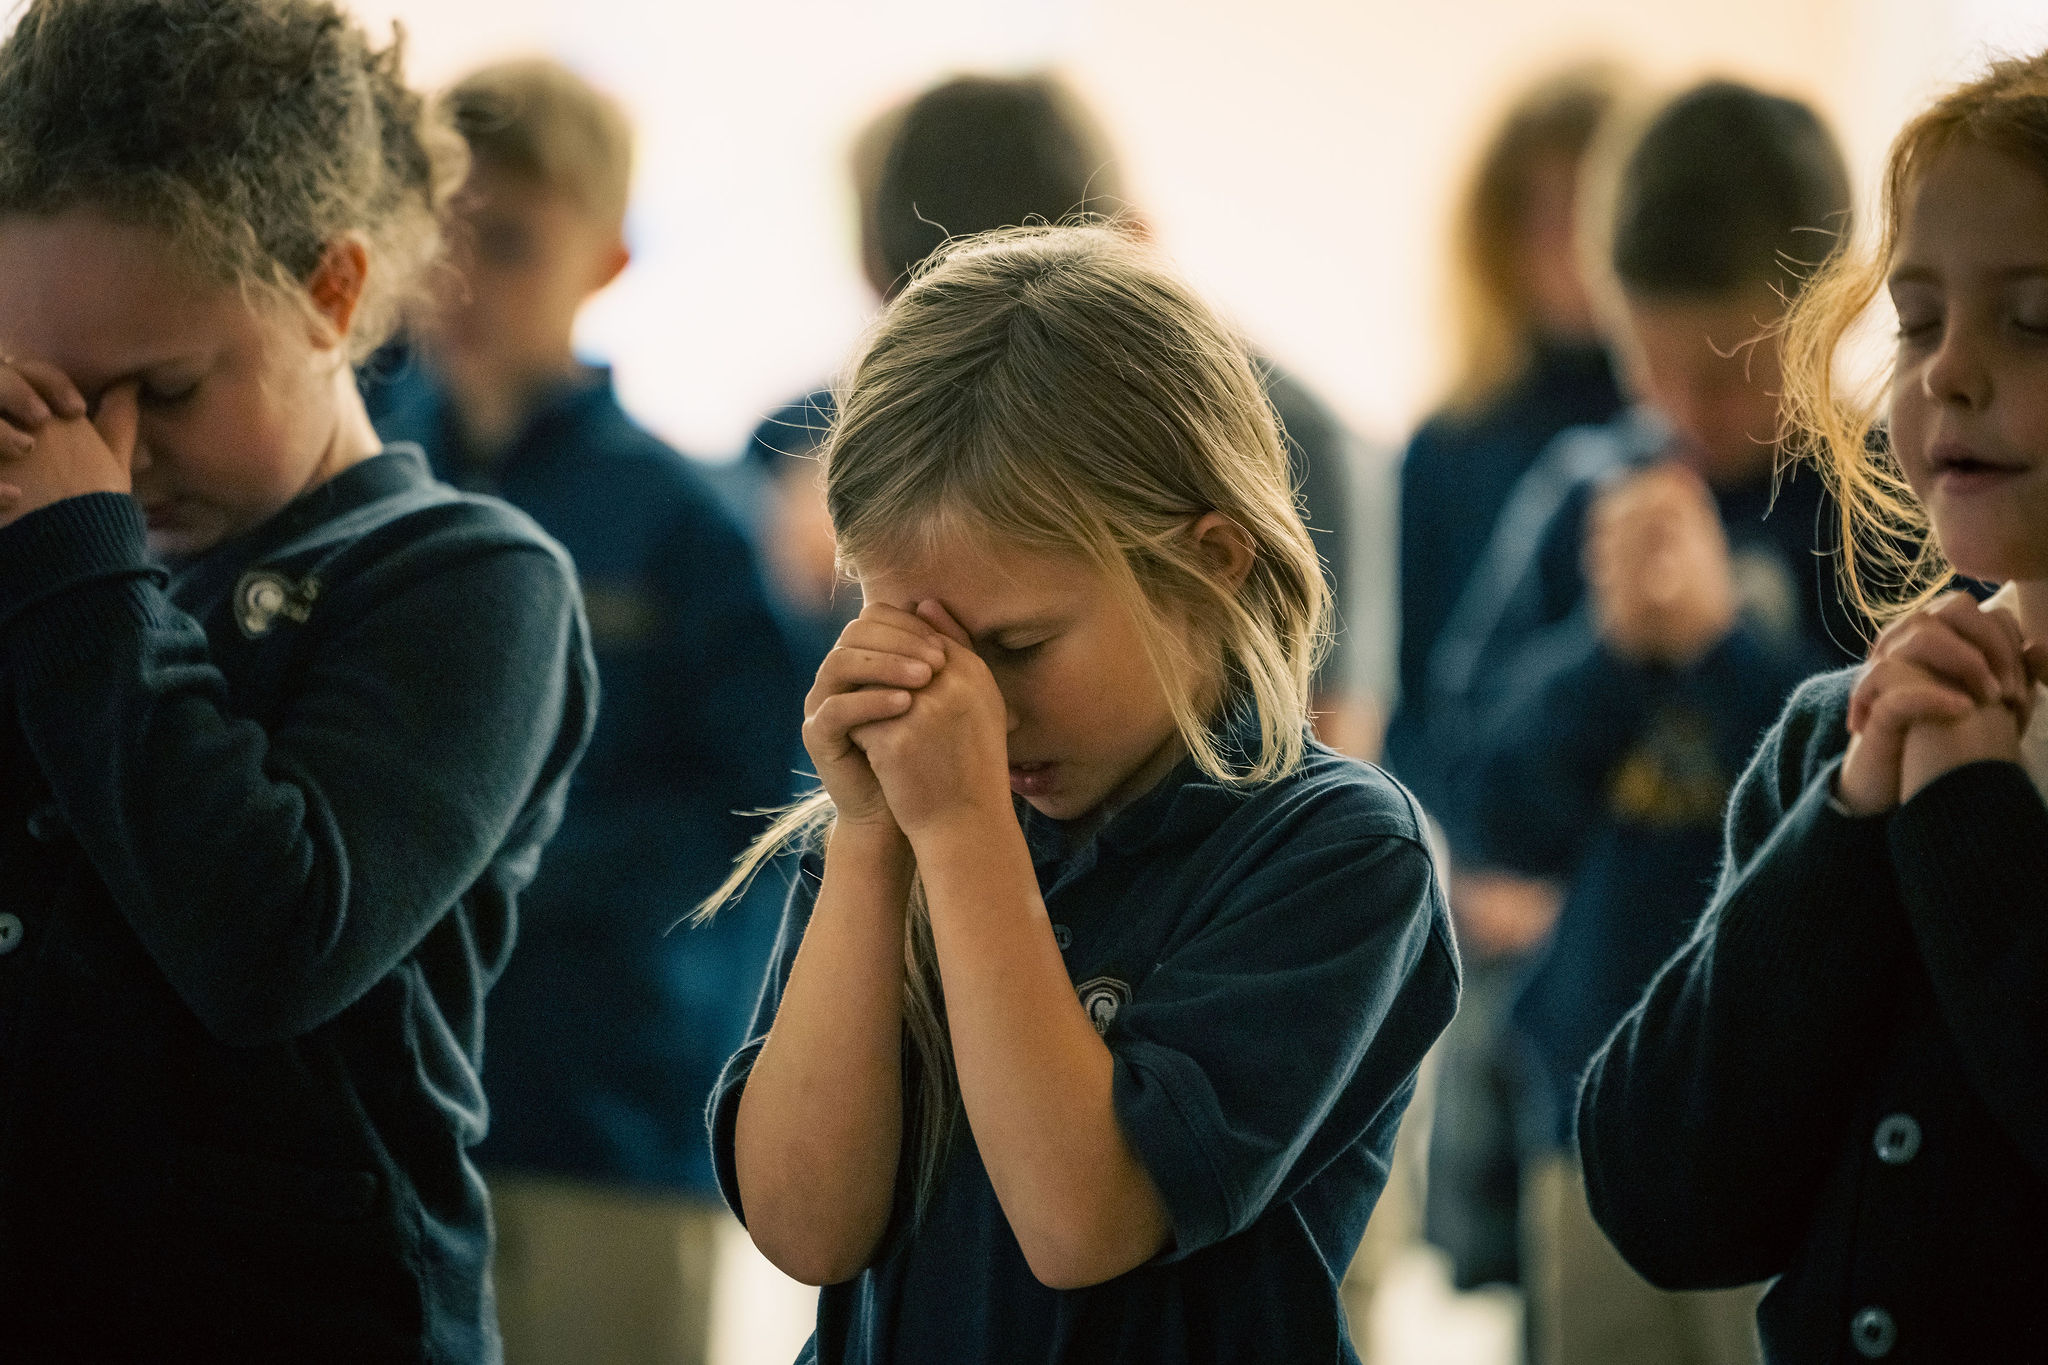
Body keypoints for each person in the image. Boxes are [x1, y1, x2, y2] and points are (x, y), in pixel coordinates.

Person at [704, 225, 1458, 1364]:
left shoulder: (1338, 849)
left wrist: (962, 834)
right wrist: (867, 841)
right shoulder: (895, 823)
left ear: (1210, 563)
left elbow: (1081, 1221)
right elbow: (805, 1226)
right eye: (918, 643)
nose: (970, 709)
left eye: (1016, 646)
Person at [0, 1, 597, 1359]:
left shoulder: (470, 580)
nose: (111, 455)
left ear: (331, 294)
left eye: (167, 387)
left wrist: (81, 573)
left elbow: (271, 946)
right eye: (50, 393)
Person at [1581, 49, 2048, 1361]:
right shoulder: (1840, 741)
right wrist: (1844, 824)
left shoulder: (1942, 766)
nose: (1947, 372)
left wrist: (1968, 819)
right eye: (1918, 319)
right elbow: (1661, 1197)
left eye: (2033, 320)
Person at [363, 58, 804, 1364]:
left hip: (608, 1112)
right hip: (377, 1101)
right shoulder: (357, 476)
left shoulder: (683, 524)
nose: (457, 277)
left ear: (604, 261)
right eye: (436, 231)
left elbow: (769, 808)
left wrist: (494, 875)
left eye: (506, 242)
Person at [1443, 82, 1863, 1365]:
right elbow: (1479, 802)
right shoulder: (1582, 495)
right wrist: (1611, 655)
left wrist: (1721, 651)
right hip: (1595, 1099)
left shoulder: (1881, 503)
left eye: (1731, 370)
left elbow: (1878, 816)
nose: (1685, 410)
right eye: (1649, 363)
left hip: (1816, 1118)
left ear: (1828, 312)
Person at [745, 73, 1383, 756]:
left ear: (1135, 248)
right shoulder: (804, 443)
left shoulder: (1289, 433)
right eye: (933, 321)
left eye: (1022, 645)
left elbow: (1327, 732)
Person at [1380, 61, 1629, 1297]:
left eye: (1587, 209)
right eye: (1535, 214)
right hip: (1495, 895)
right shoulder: (1449, 443)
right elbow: (1419, 706)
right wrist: (1478, 866)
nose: (1561, 245)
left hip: (1649, 876)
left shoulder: (1693, 429)